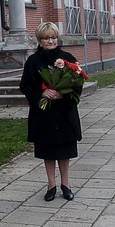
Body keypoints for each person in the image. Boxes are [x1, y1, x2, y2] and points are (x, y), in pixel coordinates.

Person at [19, 22, 83, 202]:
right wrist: (42, 93)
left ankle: (66, 185)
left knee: (64, 150)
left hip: (64, 112)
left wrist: (63, 94)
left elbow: (77, 84)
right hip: (43, 114)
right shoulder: (33, 61)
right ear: (39, 41)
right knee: (48, 151)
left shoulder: (67, 58)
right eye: (46, 38)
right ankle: (51, 185)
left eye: (53, 37)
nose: (51, 41)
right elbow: (25, 85)